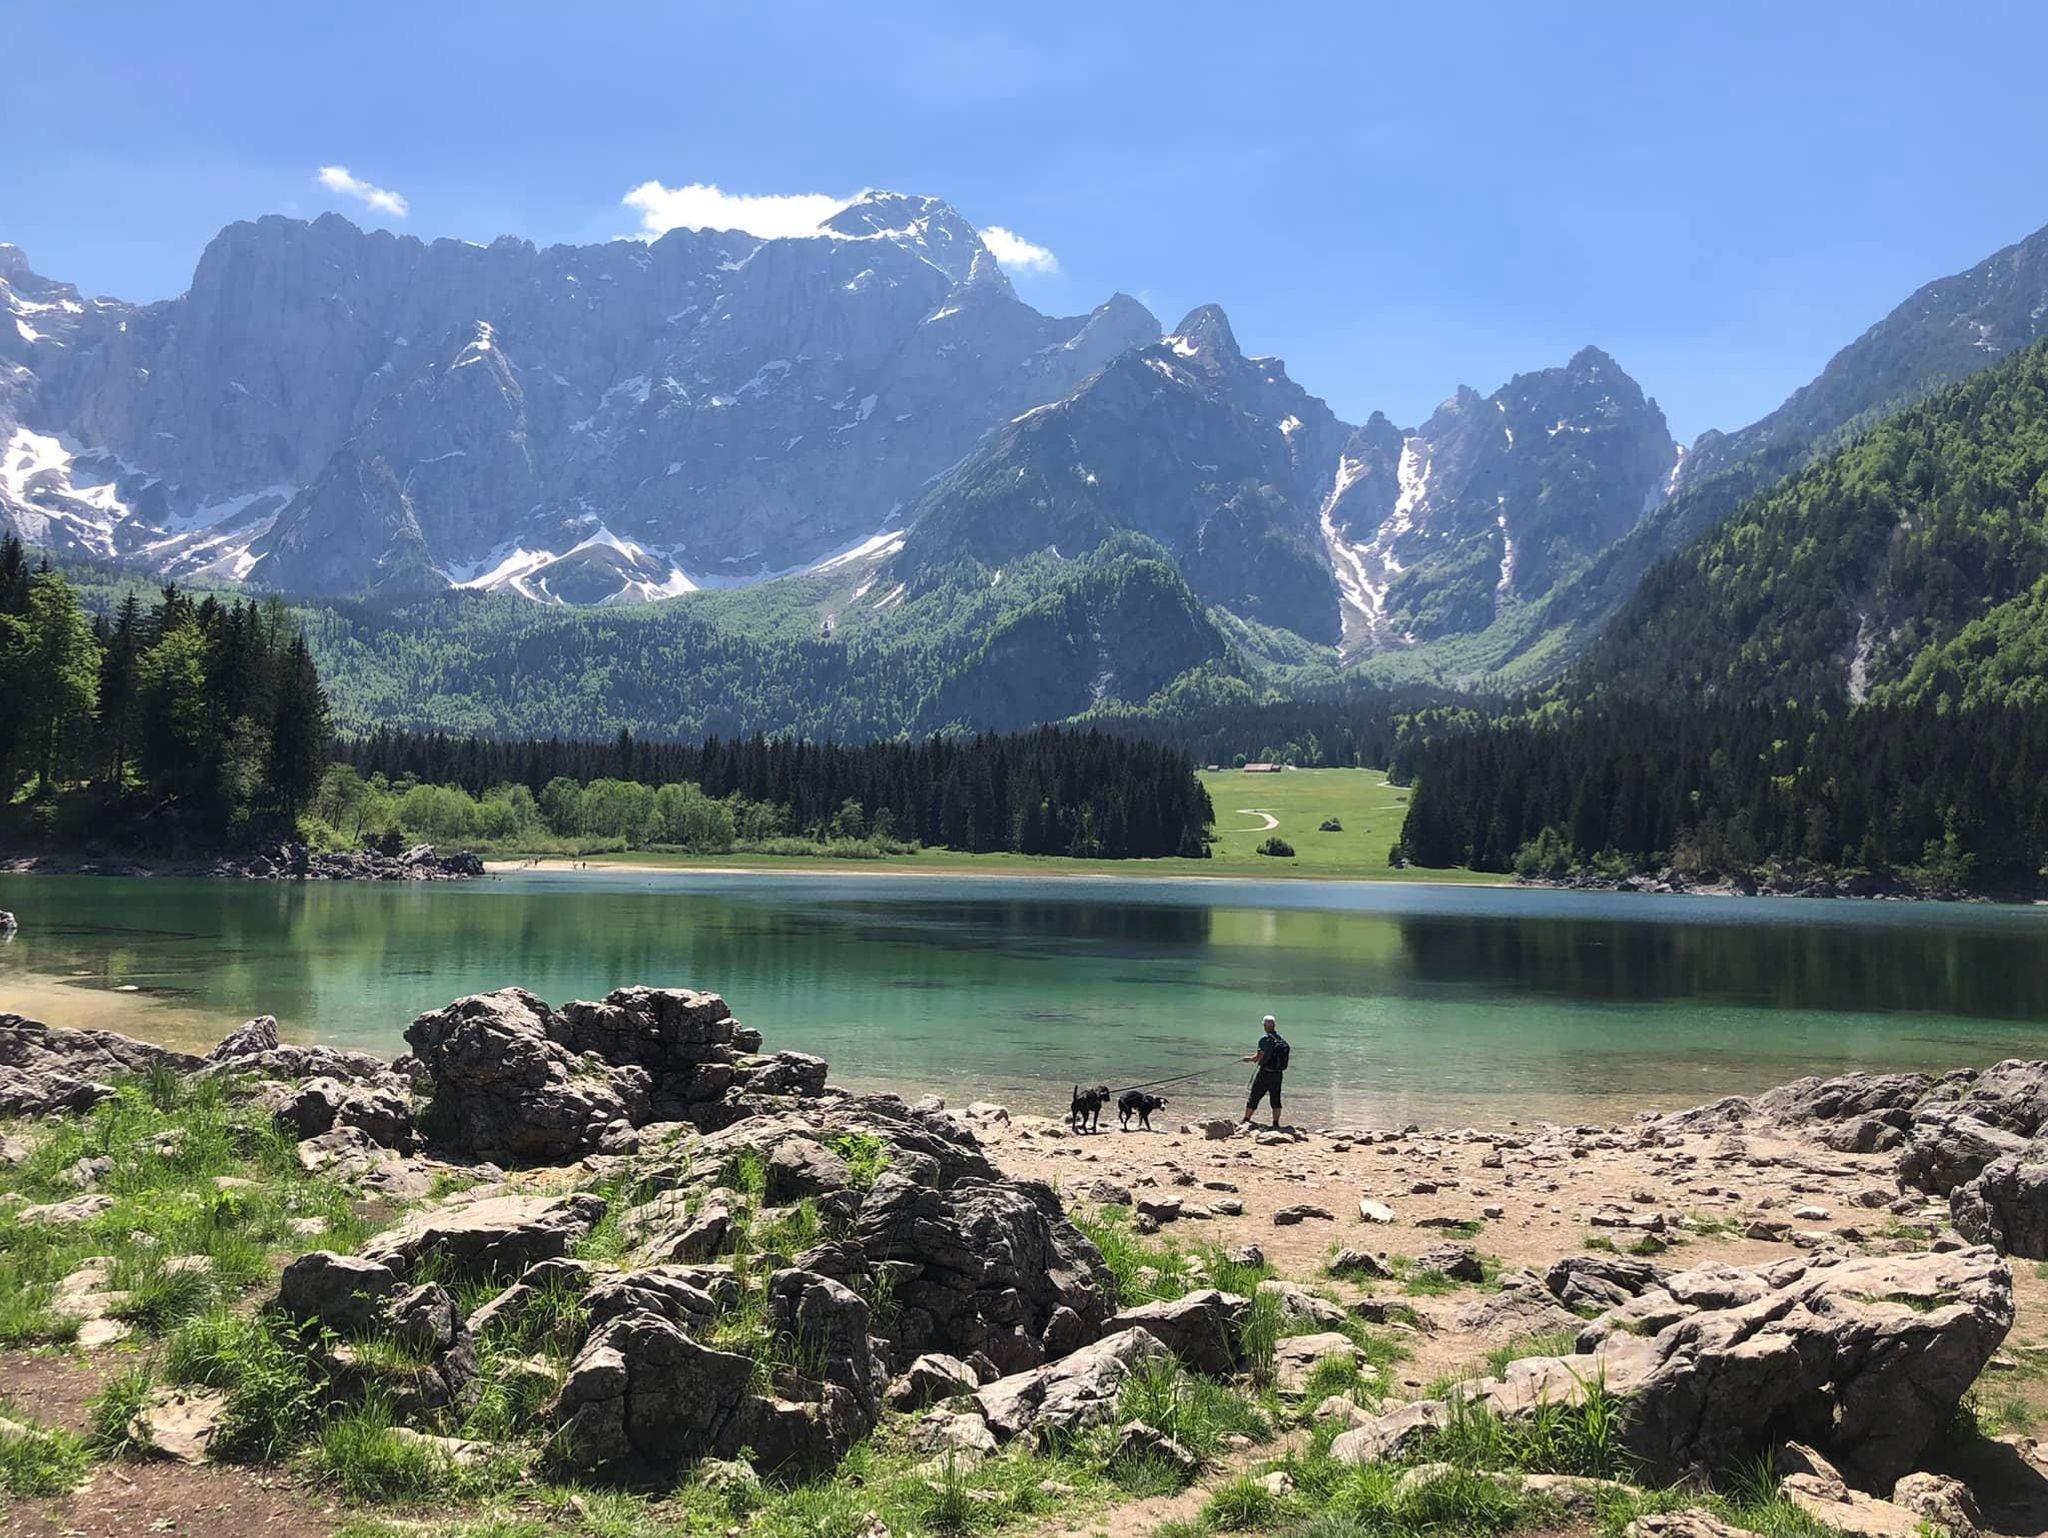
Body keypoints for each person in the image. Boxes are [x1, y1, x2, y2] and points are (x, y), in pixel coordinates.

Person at [1242, 1014, 1290, 1128]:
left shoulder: (1265, 1039)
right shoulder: (1280, 1039)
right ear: (1274, 1025)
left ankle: (1246, 1120)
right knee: (1276, 1099)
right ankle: (1275, 1123)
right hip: (1278, 1074)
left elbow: (1259, 1057)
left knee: (1254, 1096)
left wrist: (1249, 1059)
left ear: (1264, 1026)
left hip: (1265, 1073)